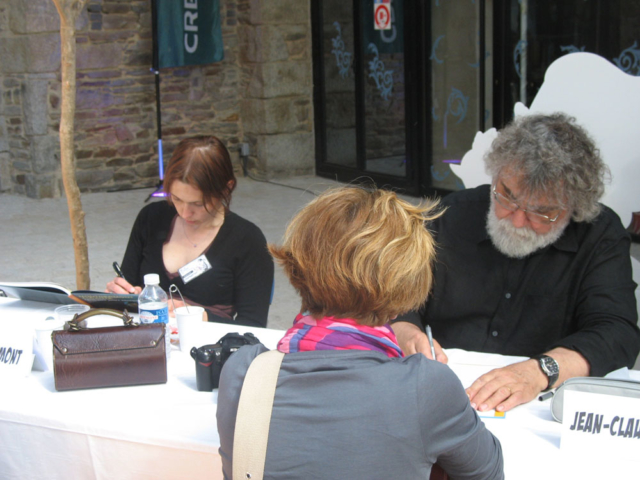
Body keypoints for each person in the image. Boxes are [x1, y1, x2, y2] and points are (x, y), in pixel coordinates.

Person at [217, 187, 504, 479]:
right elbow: (488, 473)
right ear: (404, 289)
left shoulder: (243, 371)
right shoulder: (427, 387)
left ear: (297, 267)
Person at [392, 113, 640, 413]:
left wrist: (540, 371)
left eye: (542, 212)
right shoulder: (450, 216)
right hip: (438, 392)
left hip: (541, 402)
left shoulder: (599, 235)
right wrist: (406, 331)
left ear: (574, 206)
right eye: (506, 196)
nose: (517, 220)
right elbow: (395, 292)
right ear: (496, 175)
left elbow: (617, 333)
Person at [106, 135, 274, 328]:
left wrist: (198, 316)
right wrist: (121, 293)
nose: (185, 212)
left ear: (227, 189)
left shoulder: (246, 240)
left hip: (209, 347)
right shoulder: (151, 218)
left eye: (198, 203)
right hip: (148, 338)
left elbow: (253, 326)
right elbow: (129, 286)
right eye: (176, 199)